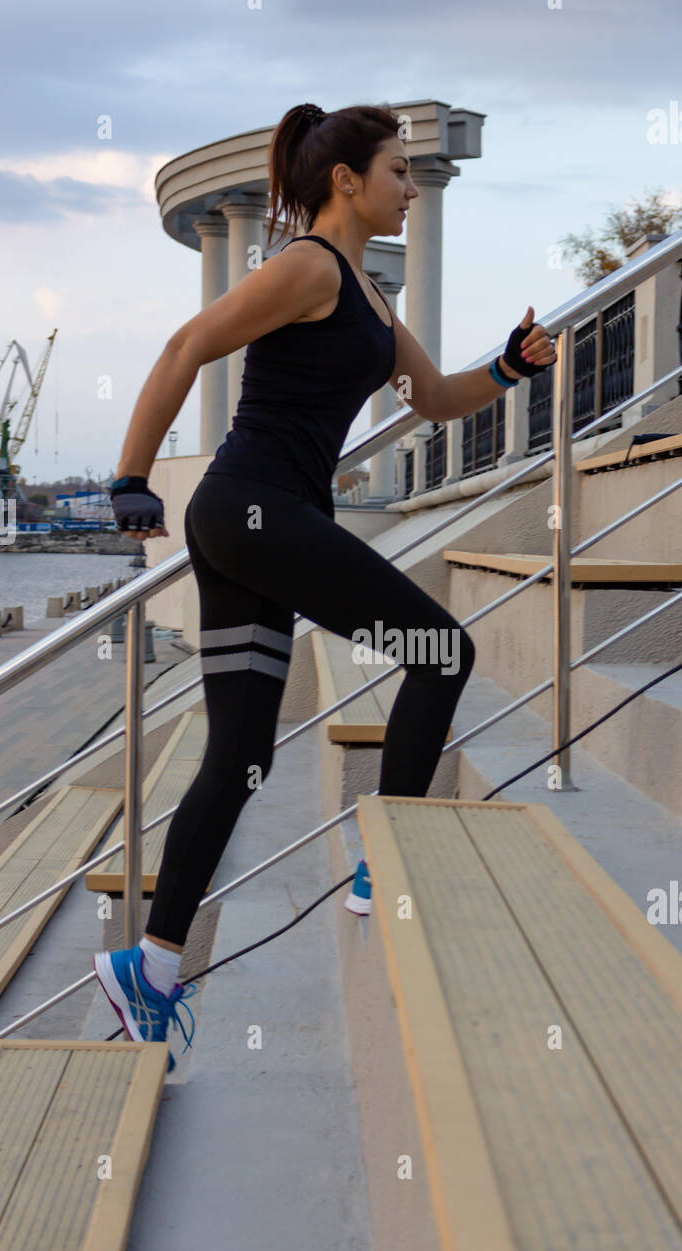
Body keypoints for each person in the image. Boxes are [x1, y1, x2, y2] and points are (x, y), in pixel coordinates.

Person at [95, 100, 555, 1069]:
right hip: (255, 508)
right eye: (396, 170)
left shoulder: (372, 299)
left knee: (243, 753)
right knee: (442, 650)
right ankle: (380, 869)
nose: (405, 186)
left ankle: (152, 967)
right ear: (345, 178)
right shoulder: (306, 267)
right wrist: (132, 477)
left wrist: (510, 367)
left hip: (257, 519)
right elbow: (188, 346)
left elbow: (431, 399)